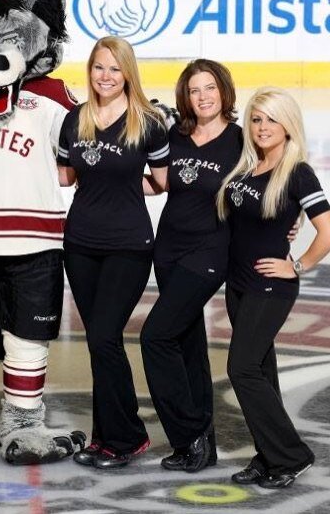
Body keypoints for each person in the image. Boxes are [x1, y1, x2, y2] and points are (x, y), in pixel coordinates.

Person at [57, 36, 169, 469]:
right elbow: (67, 177)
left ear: (128, 73)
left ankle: (127, 438)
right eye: (99, 68)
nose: (105, 76)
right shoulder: (76, 119)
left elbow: (163, 182)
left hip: (128, 245)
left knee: (105, 337)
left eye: (114, 69)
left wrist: (124, 185)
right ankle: (106, 435)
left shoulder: (148, 122)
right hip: (81, 243)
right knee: (98, 342)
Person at [216, 87, 330, 489]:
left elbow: (327, 229)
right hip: (239, 284)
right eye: (256, 118)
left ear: (288, 125)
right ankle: (268, 456)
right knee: (262, 372)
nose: (263, 127)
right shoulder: (249, 167)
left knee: (241, 368)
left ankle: (291, 455)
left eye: (272, 119)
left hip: (269, 285)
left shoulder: (297, 171)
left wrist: (298, 265)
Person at [140, 59, 241, 472]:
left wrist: (283, 227)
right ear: (186, 96)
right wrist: (116, 178)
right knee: (188, 344)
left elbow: (269, 182)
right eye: (195, 90)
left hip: (209, 251)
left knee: (155, 337)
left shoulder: (240, 140)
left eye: (210, 88)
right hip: (168, 249)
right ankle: (202, 446)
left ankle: (189, 432)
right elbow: (159, 182)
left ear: (223, 92)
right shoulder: (174, 136)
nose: (203, 97)